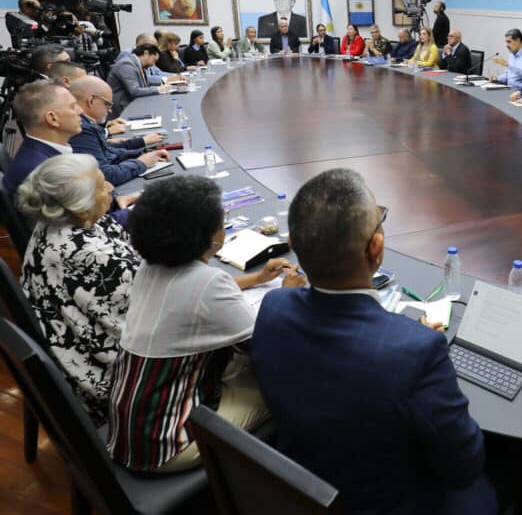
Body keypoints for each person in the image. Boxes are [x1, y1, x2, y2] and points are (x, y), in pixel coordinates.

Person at [250, 169, 497, 514]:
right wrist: (416, 341)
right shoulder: (416, 351)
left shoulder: (274, 308)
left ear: (293, 246)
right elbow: (464, 465)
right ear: (376, 248)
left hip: (301, 488)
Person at [107, 176, 305, 472]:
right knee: (289, 386)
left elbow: (195, 292)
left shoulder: (148, 268)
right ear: (209, 236)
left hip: (131, 427)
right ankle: (277, 481)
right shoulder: (208, 284)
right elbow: (270, 350)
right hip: (168, 444)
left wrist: (256, 279)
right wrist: (287, 297)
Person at [17, 154, 142, 424]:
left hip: (85, 352)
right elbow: (159, 307)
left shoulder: (58, 221)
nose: (109, 187)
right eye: (100, 187)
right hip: (118, 385)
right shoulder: (91, 254)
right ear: (79, 207)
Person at [68, 77, 168, 186]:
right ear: (91, 100)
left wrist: (142, 153)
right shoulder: (81, 127)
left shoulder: (87, 123)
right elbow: (106, 175)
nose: (110, 110)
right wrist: (140, 163)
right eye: (107, 104)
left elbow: (108, 152)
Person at [4, 82, 82, 197]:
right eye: (72, 106)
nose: (80, 111)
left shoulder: (39, 154)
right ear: (52, 118)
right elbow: (82, 214)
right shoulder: (45, 172)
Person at [107, 43, 173, 116]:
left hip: (134, 103)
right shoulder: (126, 64)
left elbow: (146, 82)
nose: (153, 64)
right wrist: (159, 89)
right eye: (153, 60)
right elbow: (135, 91)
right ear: (146, 53)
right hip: (123, 108)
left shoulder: (138, 65)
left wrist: (165, 82)